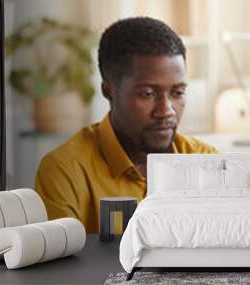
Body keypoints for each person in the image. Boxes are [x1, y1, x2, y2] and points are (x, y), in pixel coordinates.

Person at [35, 17, 217, 233]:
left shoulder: (206, 162)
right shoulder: (64, 171)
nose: (166, 110)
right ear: (109, 91)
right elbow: (61, 265)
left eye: (177, 93)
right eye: (148, 94)